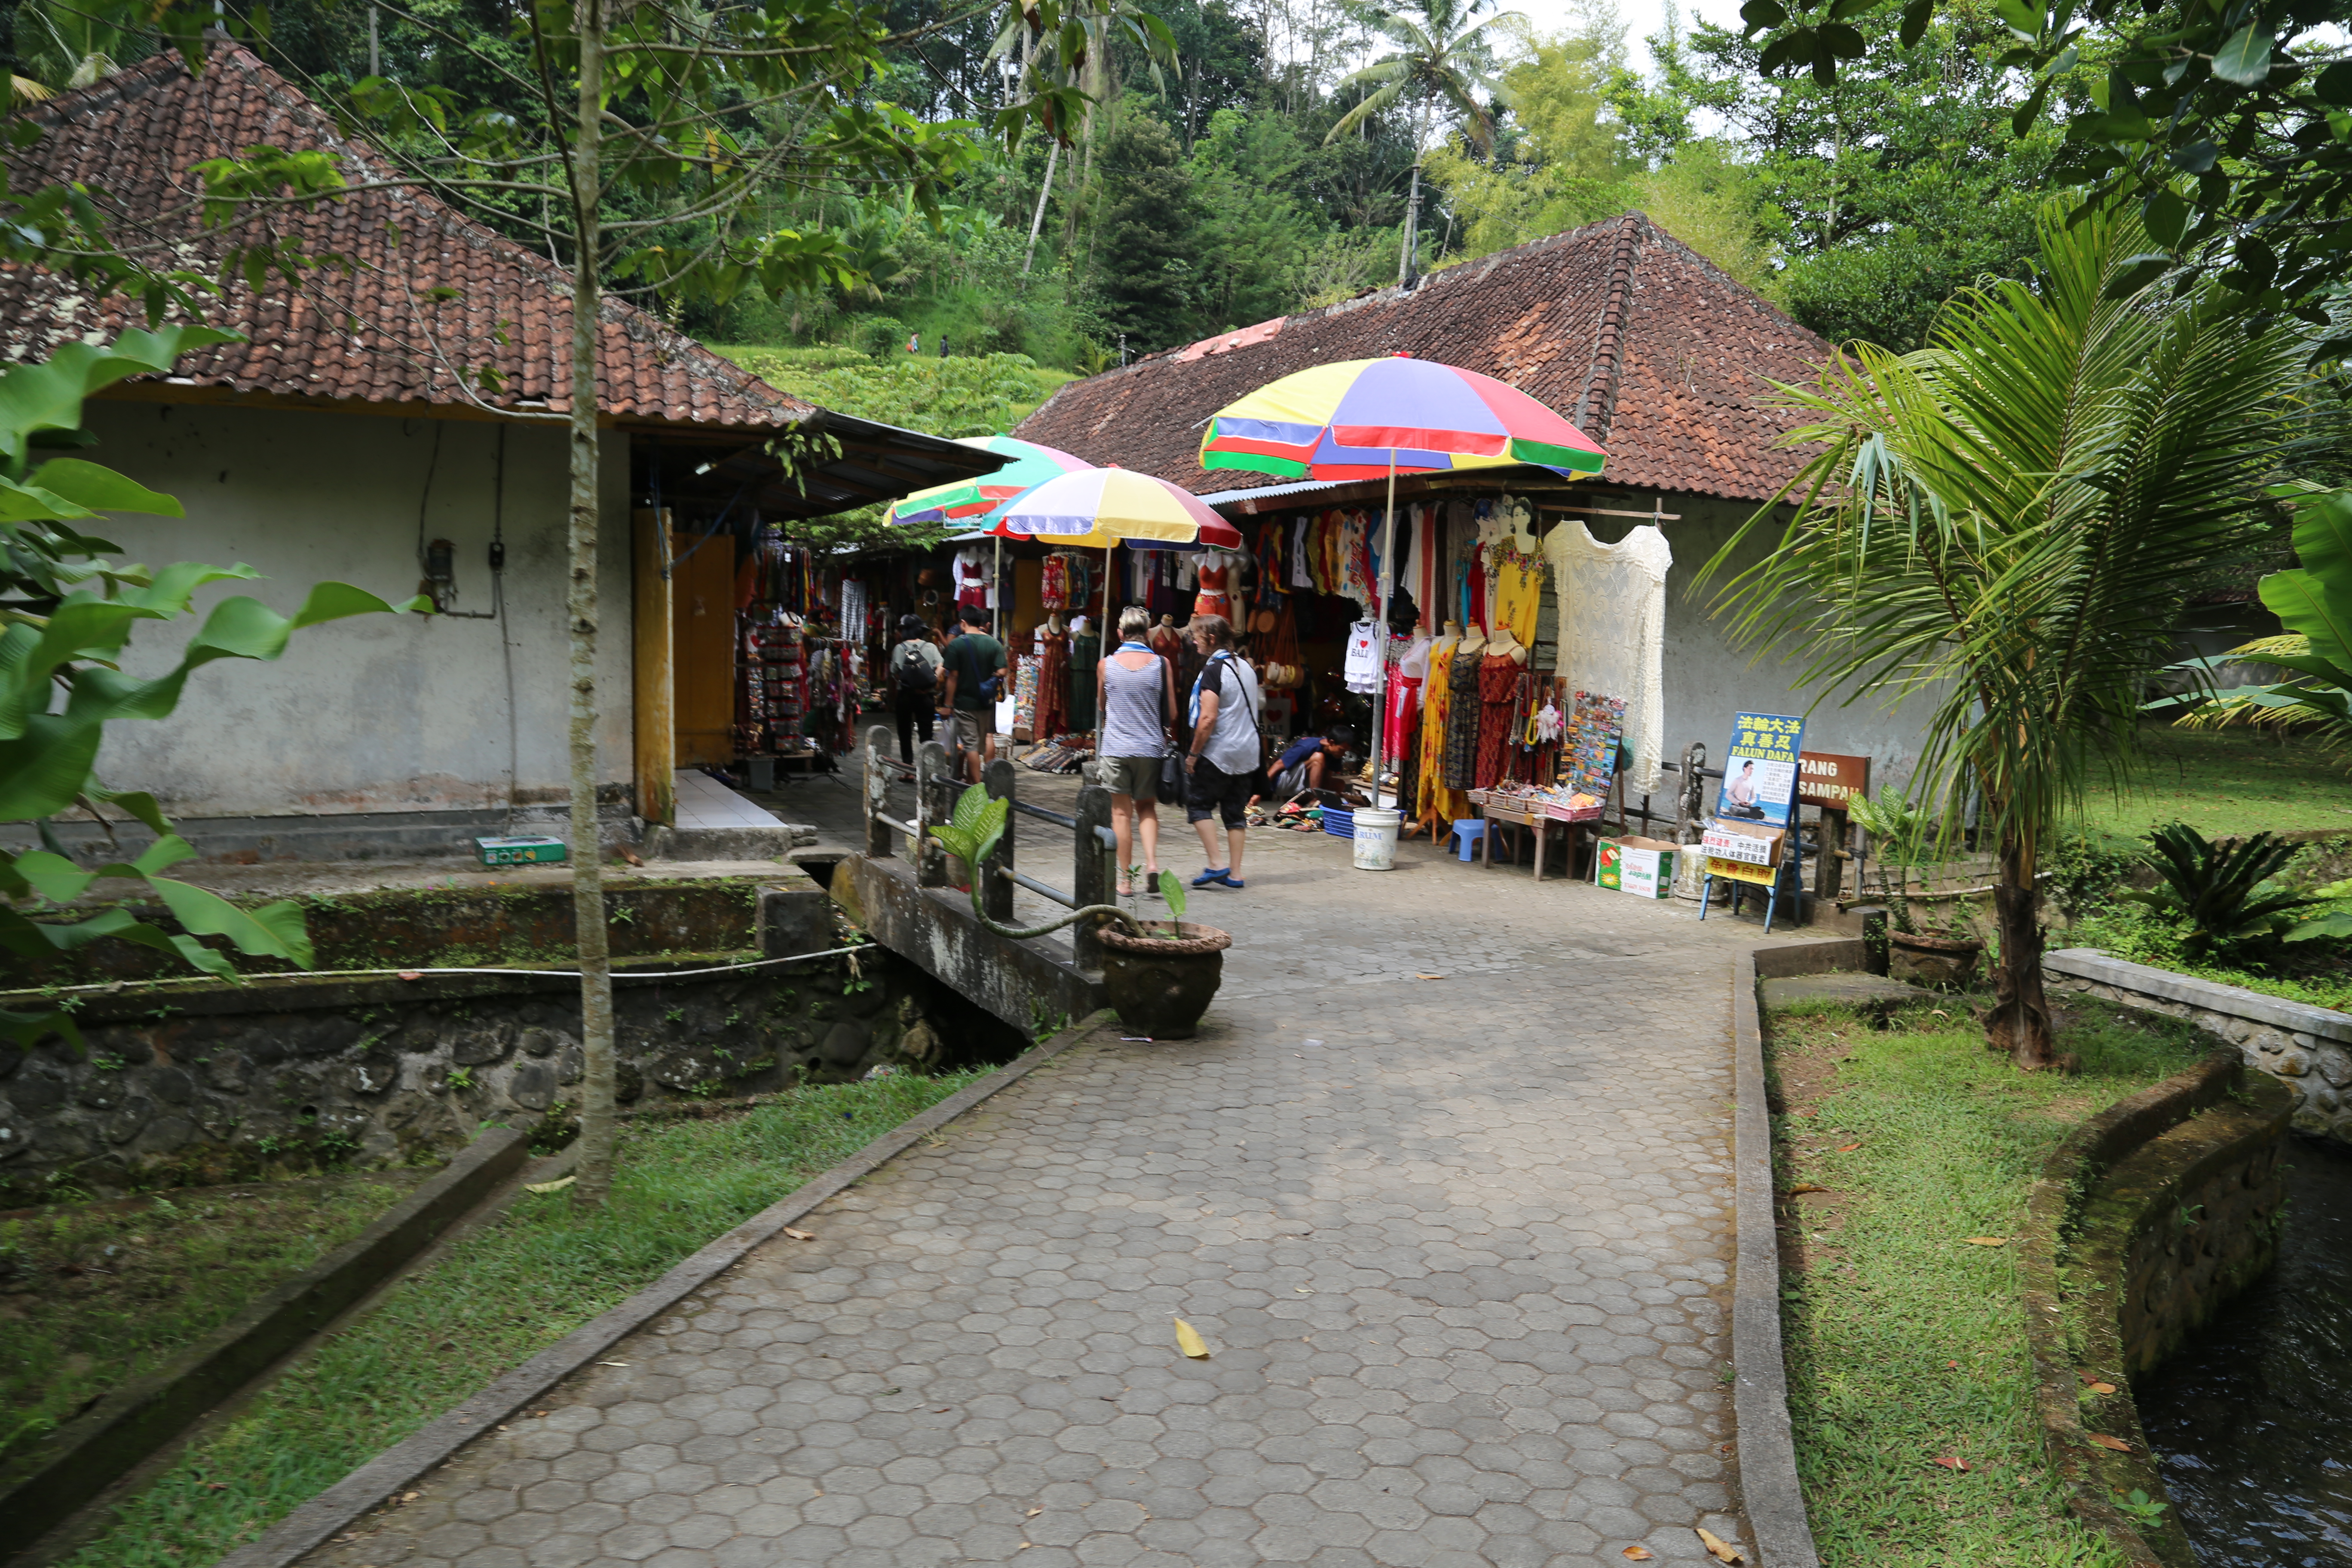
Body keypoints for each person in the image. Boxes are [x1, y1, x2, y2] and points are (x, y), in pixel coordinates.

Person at [1097, 606, 1177, 897]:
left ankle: (1126, 881)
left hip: (1117, 748)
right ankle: (1153, 864)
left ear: (1120, 633)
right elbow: (1172, 711)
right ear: (1148, 634)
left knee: (1121, 813)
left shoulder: (1106, 665)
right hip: (1150, 748)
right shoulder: (1162, 664)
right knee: (1147, 807)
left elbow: (1102, 705)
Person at [1182, 614, 1262, 890]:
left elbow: (1207, 719)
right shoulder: (1247, 667)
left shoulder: (1214, 670)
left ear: (1212, 639)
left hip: (1220, 751)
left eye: (1197, 636)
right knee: (1235, 813)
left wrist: (1193, 755)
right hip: (1248, 752)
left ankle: (1216, 864)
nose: (1194, 641)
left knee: (1198, 804)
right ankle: (1236, 874)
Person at [937, 603, 1007, 784]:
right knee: (983, 742)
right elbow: (1003, 672)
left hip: (964, 703)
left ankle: (976, 786)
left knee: (971, 746)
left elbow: (953, 677)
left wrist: (947, 705)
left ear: (963, 623)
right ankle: (973, 780)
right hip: (986, 702)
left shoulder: (957, 645)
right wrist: (990, 679)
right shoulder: (994, 644)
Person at [885, 614, 942, 766]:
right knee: (926, 734)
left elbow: (895, 672)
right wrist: (932, 681)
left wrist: (909, 682)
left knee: (905, 733)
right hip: (926, 697)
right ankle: (927, 769)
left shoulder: (899, 648)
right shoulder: (931, 647)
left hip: (905, 696)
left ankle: (908, 767)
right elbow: (941, 666)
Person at [1254, 726, 1352, 807]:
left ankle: (1312, 804)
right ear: (1331, 743)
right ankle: (1314, 800)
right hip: (1283, 782)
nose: (1343, 754)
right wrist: (1258, 793)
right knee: (1319, 757)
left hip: (1303, 785)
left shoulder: (1336, 754)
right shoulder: (1308, 745)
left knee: (1340, 784)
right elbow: (1277, 765)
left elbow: (1327, 779)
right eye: (1342, 750)